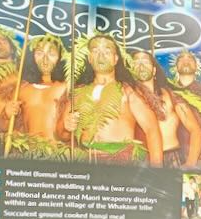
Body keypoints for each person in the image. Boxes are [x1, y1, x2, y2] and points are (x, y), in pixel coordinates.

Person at [61, 35, 164, 166]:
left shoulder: (128, 92)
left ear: (115, 59)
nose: (101, 55)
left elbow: (152, 129)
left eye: (107, 51)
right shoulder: (77, 93)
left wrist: (158, 171)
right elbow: (62, 135)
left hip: (120, 163)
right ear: (90, 58)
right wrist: (65, 127)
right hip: (84, 162)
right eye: (95, 51)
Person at [130, 51, 201, 168]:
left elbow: (196, 130)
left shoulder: (170, 96)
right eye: (136, 62)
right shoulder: (128, 96)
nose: (141, 65)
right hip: (143, 163)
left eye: (145, 61)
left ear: (154, 71)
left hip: (173, 158)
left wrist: (190, 163)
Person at [5, 34, 68, 140]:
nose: (45, 59)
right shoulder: (21, 89)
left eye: (51, 54)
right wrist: (6, 114)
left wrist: (68, 127)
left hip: (56, 152)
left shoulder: (67, 88)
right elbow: (3, 126)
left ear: (61, 58)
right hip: (28, 152)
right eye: (39, 53)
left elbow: (69, 134)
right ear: (31, 57)